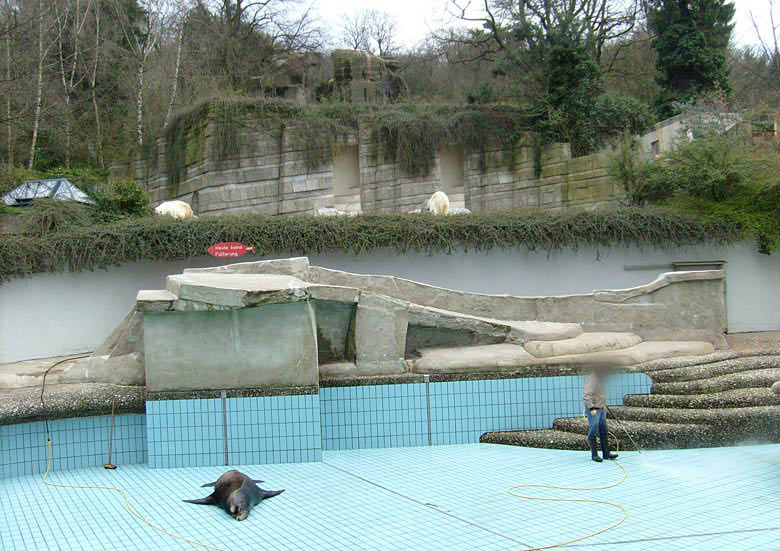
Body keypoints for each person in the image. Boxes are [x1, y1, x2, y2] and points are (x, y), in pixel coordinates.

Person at [583, 366, 619, 463]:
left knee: (604, 431)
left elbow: (598, 394)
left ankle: (606, 453)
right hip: (594, 410)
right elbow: (586, 395)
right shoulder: (592, 379)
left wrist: (603, 405)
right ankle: (594, 455)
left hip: (601, 408)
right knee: (593, 431)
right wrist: (591, 407)